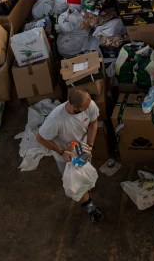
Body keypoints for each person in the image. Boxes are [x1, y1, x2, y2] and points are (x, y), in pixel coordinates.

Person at [35, 88, 103, 222]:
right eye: (85, 107)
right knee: (76, 182)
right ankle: (90, 207)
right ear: (74, 107)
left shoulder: (89, 105)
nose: (90, 107)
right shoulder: (55, 120)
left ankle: (87, 185)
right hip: (67, 157)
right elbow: (40, 138)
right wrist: (61, 152)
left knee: (85, 175)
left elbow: (93, 123)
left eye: (89, 104)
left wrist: (90, 145)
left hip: (83, 150)